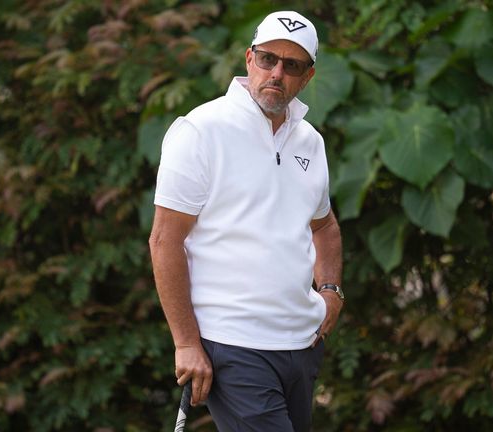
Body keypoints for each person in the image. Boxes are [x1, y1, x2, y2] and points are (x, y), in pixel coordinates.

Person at [149, 10, 343, 431]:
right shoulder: (201, 130)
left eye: (292, 66)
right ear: (248, 59)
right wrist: (185, 342)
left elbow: (324, 225)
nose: (277, 73)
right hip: (233, 346)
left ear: (307, 77)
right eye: (268, 58)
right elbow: (165, 241)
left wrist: (331, 289)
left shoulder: (310, 141)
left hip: (301, 345)